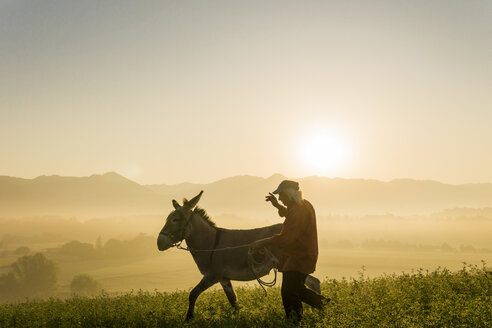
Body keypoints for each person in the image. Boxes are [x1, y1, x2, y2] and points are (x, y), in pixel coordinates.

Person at [250, 180, 329, 323]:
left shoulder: (300, 210)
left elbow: (288, 238)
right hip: (299, 256)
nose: (280, 198)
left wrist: (263, 242)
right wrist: (278, 206)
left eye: (281, 195)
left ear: (289, 193)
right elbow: (291, 216)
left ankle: (294, 321)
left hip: (298, 258)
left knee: (288, 293)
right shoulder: (301, 206)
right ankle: (328, 306)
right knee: (297, 290)